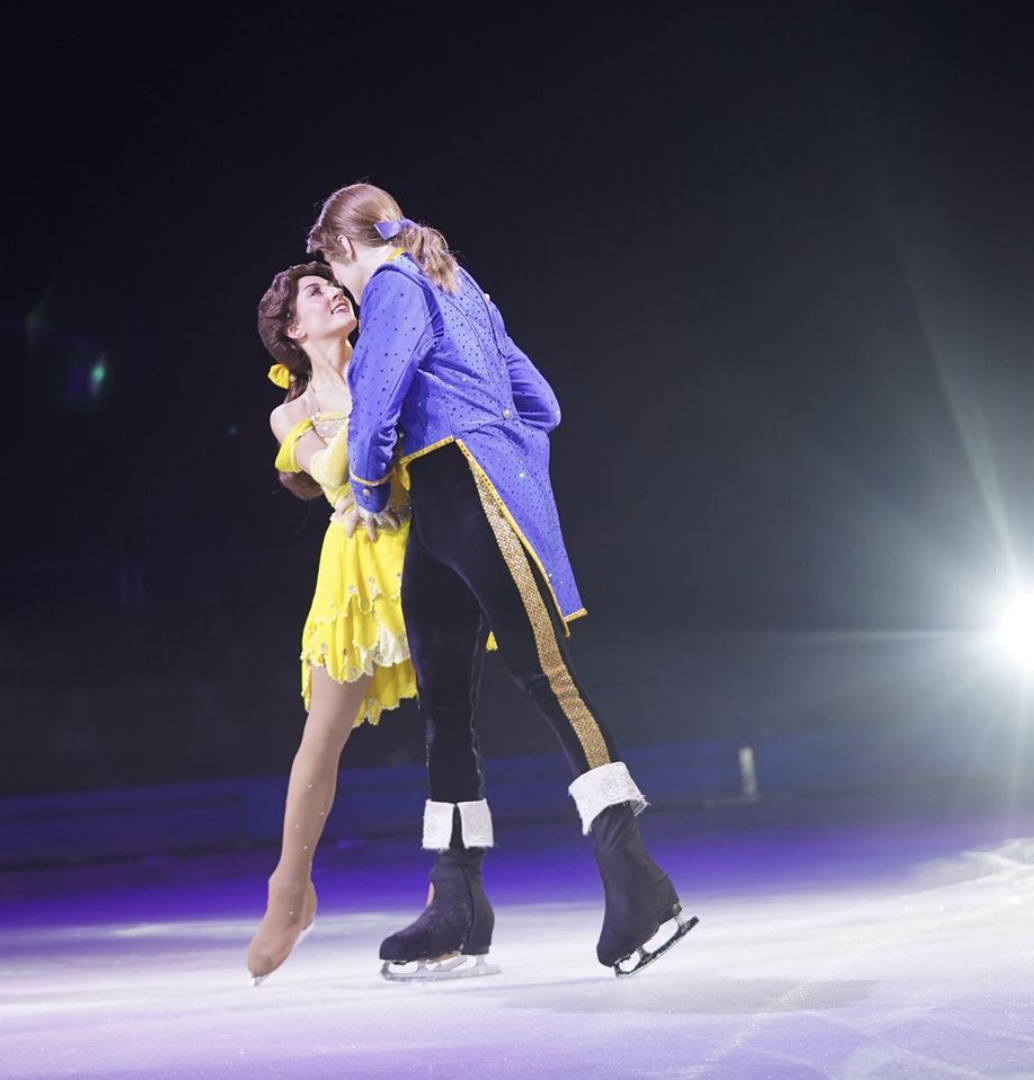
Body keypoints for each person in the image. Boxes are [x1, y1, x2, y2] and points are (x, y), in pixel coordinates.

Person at [306, 184, 697, 978]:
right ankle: (457, 904)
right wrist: (496, 442)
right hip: (451, 508)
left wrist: (374, 491)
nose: (343, 290)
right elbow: (542, 404)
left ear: (343, 249)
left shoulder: (392, 284)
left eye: (331, 271)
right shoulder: (458, 284)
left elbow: (377, 399)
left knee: (547, 675)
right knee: (445, 708)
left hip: (466, 494)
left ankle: (639, 885)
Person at [246, 262, 417, 985]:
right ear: (292, 329)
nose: (334, 292)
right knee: (323, 733)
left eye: (332, 284)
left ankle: (454, 880)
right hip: (354, 569)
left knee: (455, 715)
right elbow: (338, 477)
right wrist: (373, 392)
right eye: (315, 293)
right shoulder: (292, 412)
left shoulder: (392, 352)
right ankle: (289, 890)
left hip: (423, 544)